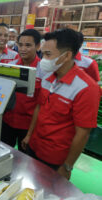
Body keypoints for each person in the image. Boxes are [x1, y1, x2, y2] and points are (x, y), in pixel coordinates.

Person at [21, 29, 101, 179]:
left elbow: (83, 133)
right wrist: (29, 134)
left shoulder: (86, 88)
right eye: (43, 53)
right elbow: (39, 107)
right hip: (35, 146)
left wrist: (67, 165)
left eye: (48, 55)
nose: (43, 59)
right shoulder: (48, 77)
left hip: (55, 158)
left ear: (67, 56)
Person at [2, 29, 43, 152]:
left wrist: (30, 134)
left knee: (26, 160)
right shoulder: (12, 66)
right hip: (8, 122)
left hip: (28, 126)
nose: (23, 49)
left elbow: (41, 105)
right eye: (20, 45)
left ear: (38, 46)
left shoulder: (44, 70)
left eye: (28, 45)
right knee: (4, 153)